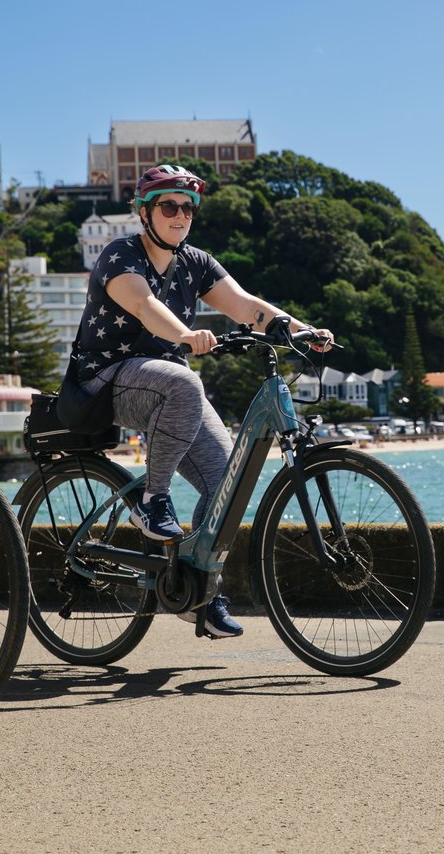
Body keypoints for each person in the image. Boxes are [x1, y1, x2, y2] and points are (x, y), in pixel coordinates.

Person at [67, 164, 332, 638]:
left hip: (165, 384)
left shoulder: (195, 262)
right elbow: (148, 309)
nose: (181, 215)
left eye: (188, 208)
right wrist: (187, 336)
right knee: (185, 382)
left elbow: (246, 305)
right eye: (169, 206)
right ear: (145, 212)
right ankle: (154, 499)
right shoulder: (119, 256)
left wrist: (300, 331)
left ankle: (200, 593)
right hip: (105, 381)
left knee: (224, 483)